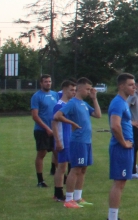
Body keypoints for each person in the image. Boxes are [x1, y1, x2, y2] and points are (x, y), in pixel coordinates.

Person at [54, 77, 101, 208]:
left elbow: (98, 115)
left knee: (83, 169)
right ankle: (68, 200)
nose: (89, 91)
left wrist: (94, 98)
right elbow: (57, 116)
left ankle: (78, 197)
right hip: (78, 141)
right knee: (75, 169)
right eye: (87, 89)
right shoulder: (72, 103)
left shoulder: (84, 104)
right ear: (79, 88)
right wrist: (72, 123)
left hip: (87, 141)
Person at [107, 73, 136, 220]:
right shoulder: (118, 103)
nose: (134, 87)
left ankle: (114, 218)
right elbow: (114, 125)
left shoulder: (124, 102)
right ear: (121, 86)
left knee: (121, 182)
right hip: (120, 148)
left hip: (124, 147)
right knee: (119, 182)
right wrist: (124, 143)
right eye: (130, 84)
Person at [31, 74, 59, 187]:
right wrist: (47, 128)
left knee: (58, 153)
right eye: (46, 81)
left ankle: (61, 175)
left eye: (49, 81)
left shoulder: (55, 95)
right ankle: (40, 180)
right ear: (41, 83)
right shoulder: (36, 96)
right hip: (41, 131)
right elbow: (35, 116)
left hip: (54, 130)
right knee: (41, 154)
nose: (48, 83)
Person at [51, 80, 77, 205]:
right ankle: (58, 193)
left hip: (70, 139)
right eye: (72, 90)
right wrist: (58, 141)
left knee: (66, 166)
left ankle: (63, 192)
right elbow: (54, 123)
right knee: (61, 167)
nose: (74, 92)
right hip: (63, 139)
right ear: (65, 90)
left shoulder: (69, 104)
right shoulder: (59, 105)